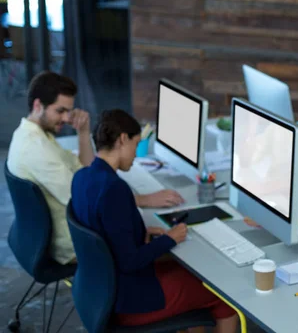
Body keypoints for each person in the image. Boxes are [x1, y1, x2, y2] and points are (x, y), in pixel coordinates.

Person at [71, 110, 238, 332]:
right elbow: (130, 261)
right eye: (135, 144)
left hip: (97, 292)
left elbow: (102, 230)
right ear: (122, 139)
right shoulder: (114, 189)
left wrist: (136, 232)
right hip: (129, 302)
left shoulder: (82, 176)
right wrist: (170, 239)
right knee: (223, 294)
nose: (136, 155)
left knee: (193, 280)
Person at [6, 72, 184, 265]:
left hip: (64, 235)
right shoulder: (36, 150)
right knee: (176, 251)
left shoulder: (31, 136)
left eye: (69, 111)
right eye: (60, 111)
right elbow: (85, 197)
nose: (66, 118)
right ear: (38, 105)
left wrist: (83, 133)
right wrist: (143, 200)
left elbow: (86, 170)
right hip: (77, 245)